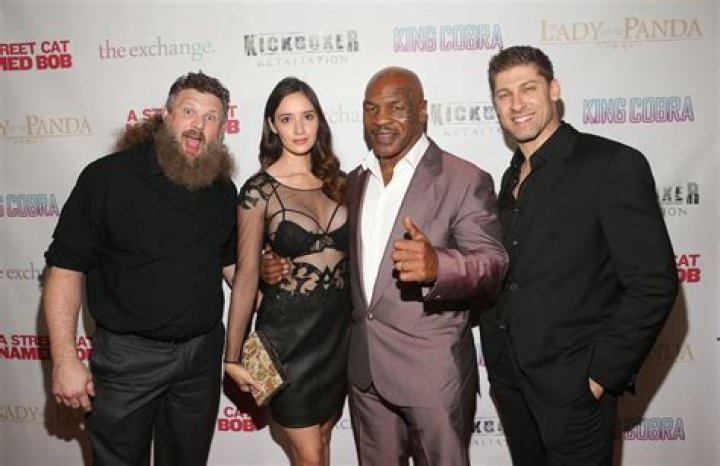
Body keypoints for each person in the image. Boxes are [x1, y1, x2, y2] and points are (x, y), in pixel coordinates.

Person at [264, 67, 508, 465]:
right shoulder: (353, 182)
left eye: (396, 107)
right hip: (365, 374)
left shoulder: (464, 178)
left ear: (422, 110)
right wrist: (274, 266)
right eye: (371, 108)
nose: (381, 119)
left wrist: (439, 266)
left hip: (432, 374)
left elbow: (493, 263)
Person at [480, 45, 679, 465]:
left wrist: (600, 375)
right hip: (511, 380)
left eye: (528, 88)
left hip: (572, 385)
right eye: (504, 94)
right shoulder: (511, 176)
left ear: (554, 90)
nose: (516, 104)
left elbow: (654, 283)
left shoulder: (611, 164)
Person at [43, 71, 237, 466]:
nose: (198, 125)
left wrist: (282, 290)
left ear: (220, 130)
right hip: (127, 361)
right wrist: (64, 359)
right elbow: (64, 269)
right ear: (166, 116)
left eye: (211, 117)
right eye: (189, 111)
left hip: (201, 358)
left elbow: (233, 267)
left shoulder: (222, 189)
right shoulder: (107, 178)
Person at [223, 77, 350, 466]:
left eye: (307, 116)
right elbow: (246, 277)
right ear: (272, 125)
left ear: (319, 121)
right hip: (286, 340)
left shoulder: (340, 184)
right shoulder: (258, 191)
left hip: (338, 336)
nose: (298, 128)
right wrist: (232, 357)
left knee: (322, 442)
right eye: (286, 118)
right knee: (310, 456)